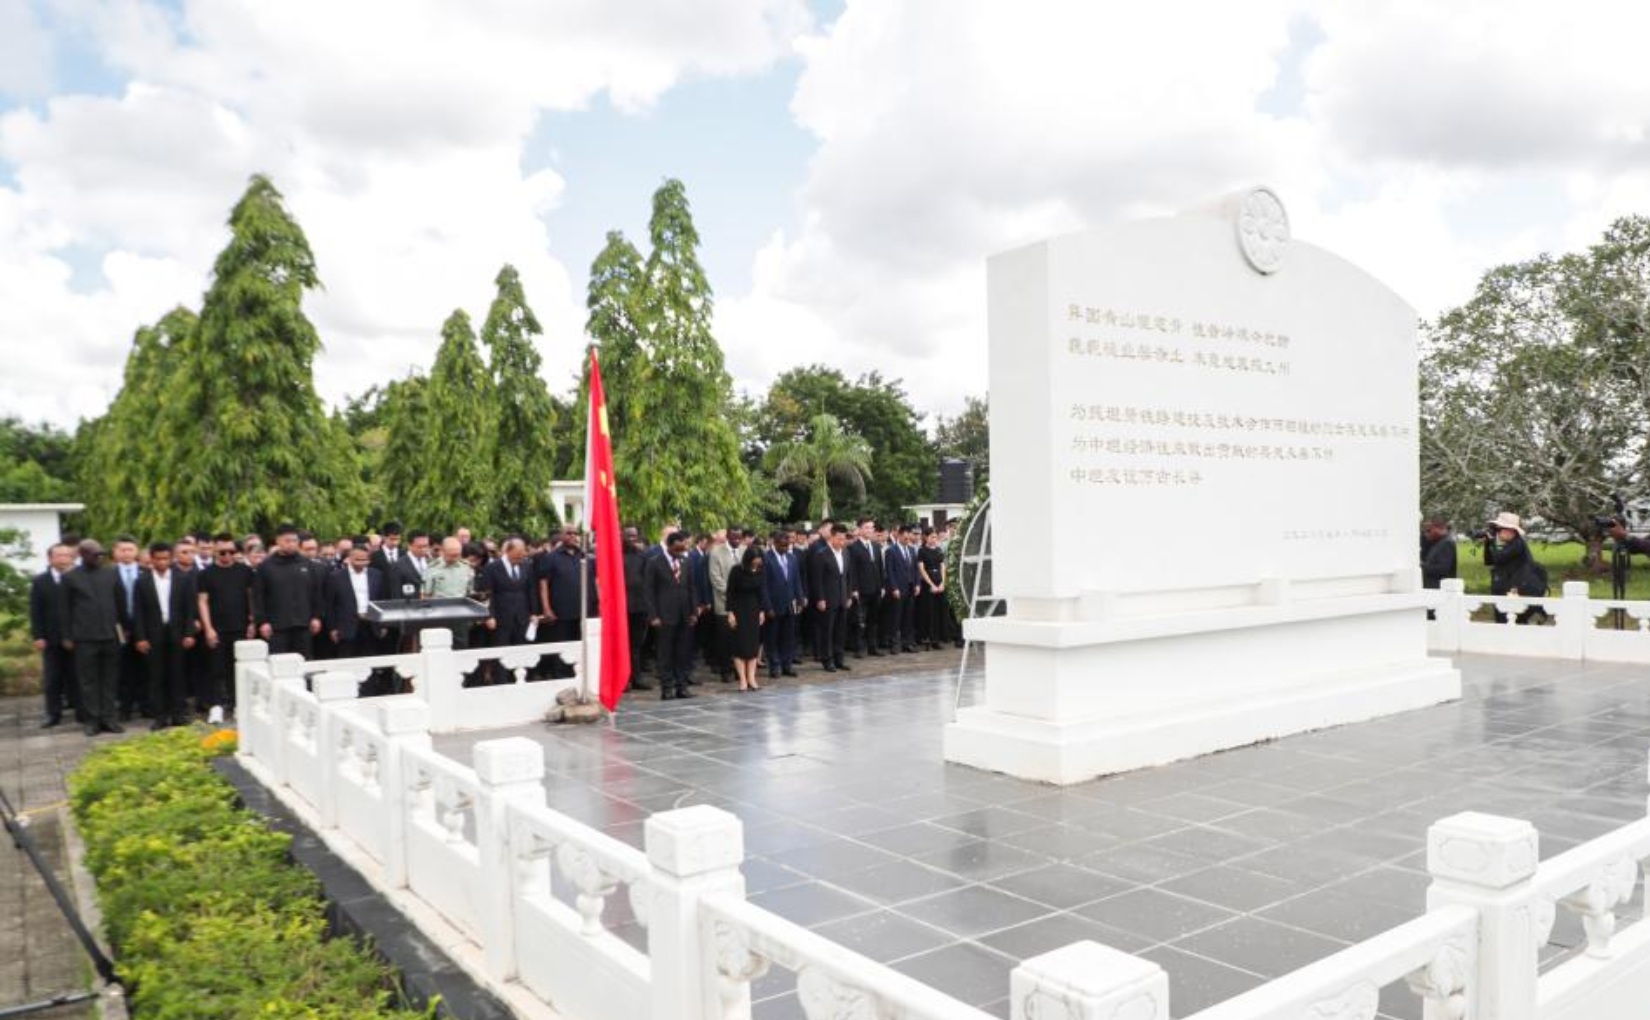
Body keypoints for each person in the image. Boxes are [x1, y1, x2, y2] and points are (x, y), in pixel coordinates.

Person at [61, 539, 125, 736]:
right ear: (82, 555)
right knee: (88, 681)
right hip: (84, 637)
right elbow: (64, 609)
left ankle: (109, 718)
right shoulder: (70, 577)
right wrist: (66, 636)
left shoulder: (111, 573)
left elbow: (120, 603)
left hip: (109, 635)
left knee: (109, 679)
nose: (100, 557)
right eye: (95, 554)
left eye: (101, 554)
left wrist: (125, 630)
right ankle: (92, 720)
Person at [133, 542, 198, 729]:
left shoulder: (182, 579)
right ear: (151, 559)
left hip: (177, 632)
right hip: (153, 634)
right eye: (158, 558)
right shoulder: (142, 581)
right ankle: (160, 716)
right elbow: (138, 612)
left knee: (177, 675)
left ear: (171, 559)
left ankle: (178, 713)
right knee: (156, 676)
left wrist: (189, 633)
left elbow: (189, 609)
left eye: (166, 558)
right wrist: (141, 637)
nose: (162, 562)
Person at [197, 533, 255, 721]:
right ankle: (216, 705)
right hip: (217, 627)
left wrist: (252, 622)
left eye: (232, 552)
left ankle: (238, 703)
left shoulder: (245, 572)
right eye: (222, 552)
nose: (227, 556)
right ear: (214, 551)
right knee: (215, 668)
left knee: (238, 668)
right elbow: (202, 601)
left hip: (240, 627)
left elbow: (251, 597)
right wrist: (208, 628)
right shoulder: (205, 574)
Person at [254, 523, 325, 656]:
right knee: (279, 665)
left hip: (303, 625)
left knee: (304, 663)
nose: (291, 544)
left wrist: (316, 617)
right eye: (287, 541)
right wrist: (262, 622)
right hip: (277, 627)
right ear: (278, 541)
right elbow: (258, 597)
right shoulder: (266, 566)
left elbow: (316, 593)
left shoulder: (306, 564)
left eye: (294, 541)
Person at [644, 531, 698, 700]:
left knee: (682, 652)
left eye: (682, 549)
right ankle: (667, 687)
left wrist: (693, 611)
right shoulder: (654, 563)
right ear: (669, 546)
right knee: (665, 653)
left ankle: (682, 686)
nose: (680, 552)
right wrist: (653, 615)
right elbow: (648, 591)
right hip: (664, 615)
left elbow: (691, 588)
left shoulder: (686, 561)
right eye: (677, 549)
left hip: (684, 615)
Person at [29, 543, 77, 727]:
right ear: (50, 559)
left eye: (67, 555)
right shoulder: (40, 581)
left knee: (77, 677)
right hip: (51, 637)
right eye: (59, 555)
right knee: (53, 679)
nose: (63, 559)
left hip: (76, 637)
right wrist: (38, 636)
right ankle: (53, 714)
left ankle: (81, 711)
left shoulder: (78, 578)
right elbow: (36, 611)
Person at [536, 526, 597, 644]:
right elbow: (543, 583)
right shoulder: (551, 557)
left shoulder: (585, 556)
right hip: (562, 613)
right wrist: (546, 608)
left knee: (583, 646)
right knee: (563, 647)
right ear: (561, 536)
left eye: (575, 533)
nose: (573, 536)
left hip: (584, 611)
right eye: (569, 533)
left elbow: (594, 580)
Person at [1483, 512, 1546, 624]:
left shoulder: (1517, 544)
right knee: (1504, 623)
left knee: (1512, 623)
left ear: (1510, 530)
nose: (1497, 532)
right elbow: (1489, 561)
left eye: (1499, 529)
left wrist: (1492, 542)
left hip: (1517, 591)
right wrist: (1488, 543)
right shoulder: (1508, 544)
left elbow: (1498, 558)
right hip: (1506, 590)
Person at [327, 543, 388, 659]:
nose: (361, 563)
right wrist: (332, 628)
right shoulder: (336, 577)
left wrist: (383, 624)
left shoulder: (376, 575)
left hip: (371, 624)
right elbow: (330, 604)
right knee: (347, 659)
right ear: (349, 558)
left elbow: (382, 600)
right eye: (357, 559)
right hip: (346, 626)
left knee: (370, 659)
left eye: (364, 560)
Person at [807, 523, 853, 672]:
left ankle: (839, 658)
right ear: (832, 537)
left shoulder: (846, 553)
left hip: (842, 597)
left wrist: (849, 595)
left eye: (844, 539)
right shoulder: (822, 554)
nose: (842, 542)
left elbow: (848, 576)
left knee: (841, 630)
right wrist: (820, 598)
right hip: (827, 598)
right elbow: (817, 579)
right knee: (827, 630)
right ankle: (827, 660)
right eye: (839, 539)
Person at [725, 545, 769, 691]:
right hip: (739, 610)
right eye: (755, 561)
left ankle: (752, 678)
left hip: (754, 610)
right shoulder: (736, 570)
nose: (757, 563)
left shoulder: (761, 571)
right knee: (740, 646)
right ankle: (742, 680)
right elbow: (730, 592)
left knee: (752, 646)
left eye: (759, 561)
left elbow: (762, 592)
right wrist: (730, 613)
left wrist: (762, 611)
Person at [480, 537, 537, 647]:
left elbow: (531, 590)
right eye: (517, 555)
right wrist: (489, 616)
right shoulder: (492, 568)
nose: (520, 558)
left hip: (522, 617)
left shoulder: (526, 566)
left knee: (521, 651)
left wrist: (534, 613)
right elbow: (487, 594)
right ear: (508, 551)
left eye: (522, 554)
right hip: (501, 618)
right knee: (502, 651)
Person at [763, 530, 804, 680]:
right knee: (772, 638)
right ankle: (775, 666)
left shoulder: (792, 558)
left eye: (787, 545)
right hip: (774, 605)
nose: (785, 548)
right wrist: (768, 607)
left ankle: (787, 665)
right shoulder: (766, 558)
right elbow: (764, 586)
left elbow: (796, 580)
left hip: (789, 604)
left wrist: (800, 598)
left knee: (788, 637)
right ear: (774, 543)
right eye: (782, 546)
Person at [847, 518, 884, 656]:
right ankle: (858, 648)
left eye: (872, 527)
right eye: (867, 527)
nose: (870, 530)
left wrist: (882, 586)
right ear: (860, 529)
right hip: (861, 590)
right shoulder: (853, 548)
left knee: (873, 620)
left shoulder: (876, 546)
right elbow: (852, 571)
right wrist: (854, 589)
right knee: (859, 620)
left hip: (875, 588)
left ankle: (872, 647)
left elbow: (880, 567)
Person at [622, 527, 652, 690]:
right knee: (622, 645)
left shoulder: (643, 556)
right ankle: (623, 679)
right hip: (622, 608)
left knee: (637, 646)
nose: (632, 538)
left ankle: (636, 678)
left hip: (640, 606)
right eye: (629, 536)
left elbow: (648, 581)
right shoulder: (616, 554)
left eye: (634, 535)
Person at [916, 527, 948, 648]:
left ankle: (937, 639)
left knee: (939, 611)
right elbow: (921, 569)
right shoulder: (922, 551)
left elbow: (943, 567)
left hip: (939, 581)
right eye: (932, 537)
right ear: (926, 537)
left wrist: (942, 583)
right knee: (929, 612)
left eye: (935, 537)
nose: (934, 539)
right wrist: (931, 585)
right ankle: (927, 638)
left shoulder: (939, 550)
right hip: (928, 583)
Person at [1421, 517, 1457, 589]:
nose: (1426, 534)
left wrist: (1422, 566)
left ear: (1439, 528)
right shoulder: (1437, 542)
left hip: (1440, 589)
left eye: (1429, 530)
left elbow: (1443, 569)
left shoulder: (1447, 543)